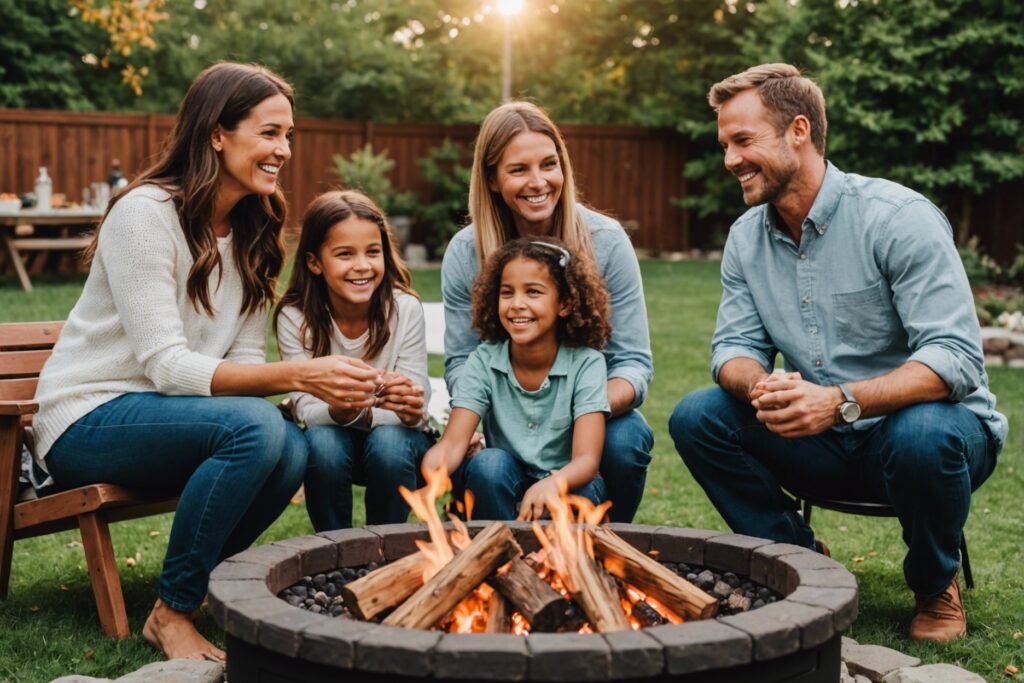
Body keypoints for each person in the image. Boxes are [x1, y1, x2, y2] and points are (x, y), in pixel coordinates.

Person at [32, 63, 384, 661]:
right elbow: (168, 366)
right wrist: (300, 373)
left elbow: (243, 364)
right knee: (256, 427)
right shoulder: (145, 214)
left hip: (164, 419)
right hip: (86, 419)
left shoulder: (255, 229)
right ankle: (171, 612)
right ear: (217, 133)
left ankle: (194, 593)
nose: (284, 150)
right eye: (269, 133)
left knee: (292, 447)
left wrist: (322, 392)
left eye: (289, 135)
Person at [669, 63, 1005, 642]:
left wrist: (839, 401)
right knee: (699, 417)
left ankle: (935, 585)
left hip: (924, 438)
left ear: (798, 131)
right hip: (816, 440)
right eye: (724, 144)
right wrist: (762, 387)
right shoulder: (746, 237)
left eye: (742, 140)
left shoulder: (899, 220)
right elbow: (732, 349)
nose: (729, 159)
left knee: (924, 434)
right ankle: (803, 563)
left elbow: (955, 357)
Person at [441, 101, 654, 522]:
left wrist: (575, 407)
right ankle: (504, 564)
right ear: (493, 179)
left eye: (549, 165)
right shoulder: (466, 252)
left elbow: (633, 364)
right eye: (519, 169)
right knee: (487, 468)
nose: (538, 182)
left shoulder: (606, 242)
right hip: (505, 425)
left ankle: (609, 546)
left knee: (626, 440)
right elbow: (462, 361)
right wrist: (482, 416)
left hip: (592, 412)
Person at [275, 190, 432, 530]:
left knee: (389, 444)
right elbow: (306, 411)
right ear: (315, 262)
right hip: (331, 437)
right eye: (345, 254)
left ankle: (385, 547)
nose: (362, 266)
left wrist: (409, 407)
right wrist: (340, 409)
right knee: (322, 443)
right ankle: (335, 552)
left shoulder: (403, 309)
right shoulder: (294, 317)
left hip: (398, 444)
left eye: (373, 252)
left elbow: (416, 404)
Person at [423, 238, 612, 521]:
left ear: (565, 304)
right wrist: (431, 472)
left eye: (533, 292)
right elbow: (452, 444)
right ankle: (500, 557)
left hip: (565, 482)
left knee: (584, 489)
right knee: (488, 465)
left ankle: (560, 562)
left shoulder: (587, 363)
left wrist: (551, 484)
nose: (517, 304)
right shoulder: (484, 360)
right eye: (507, 293)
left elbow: (586, 460)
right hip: (503, 481)